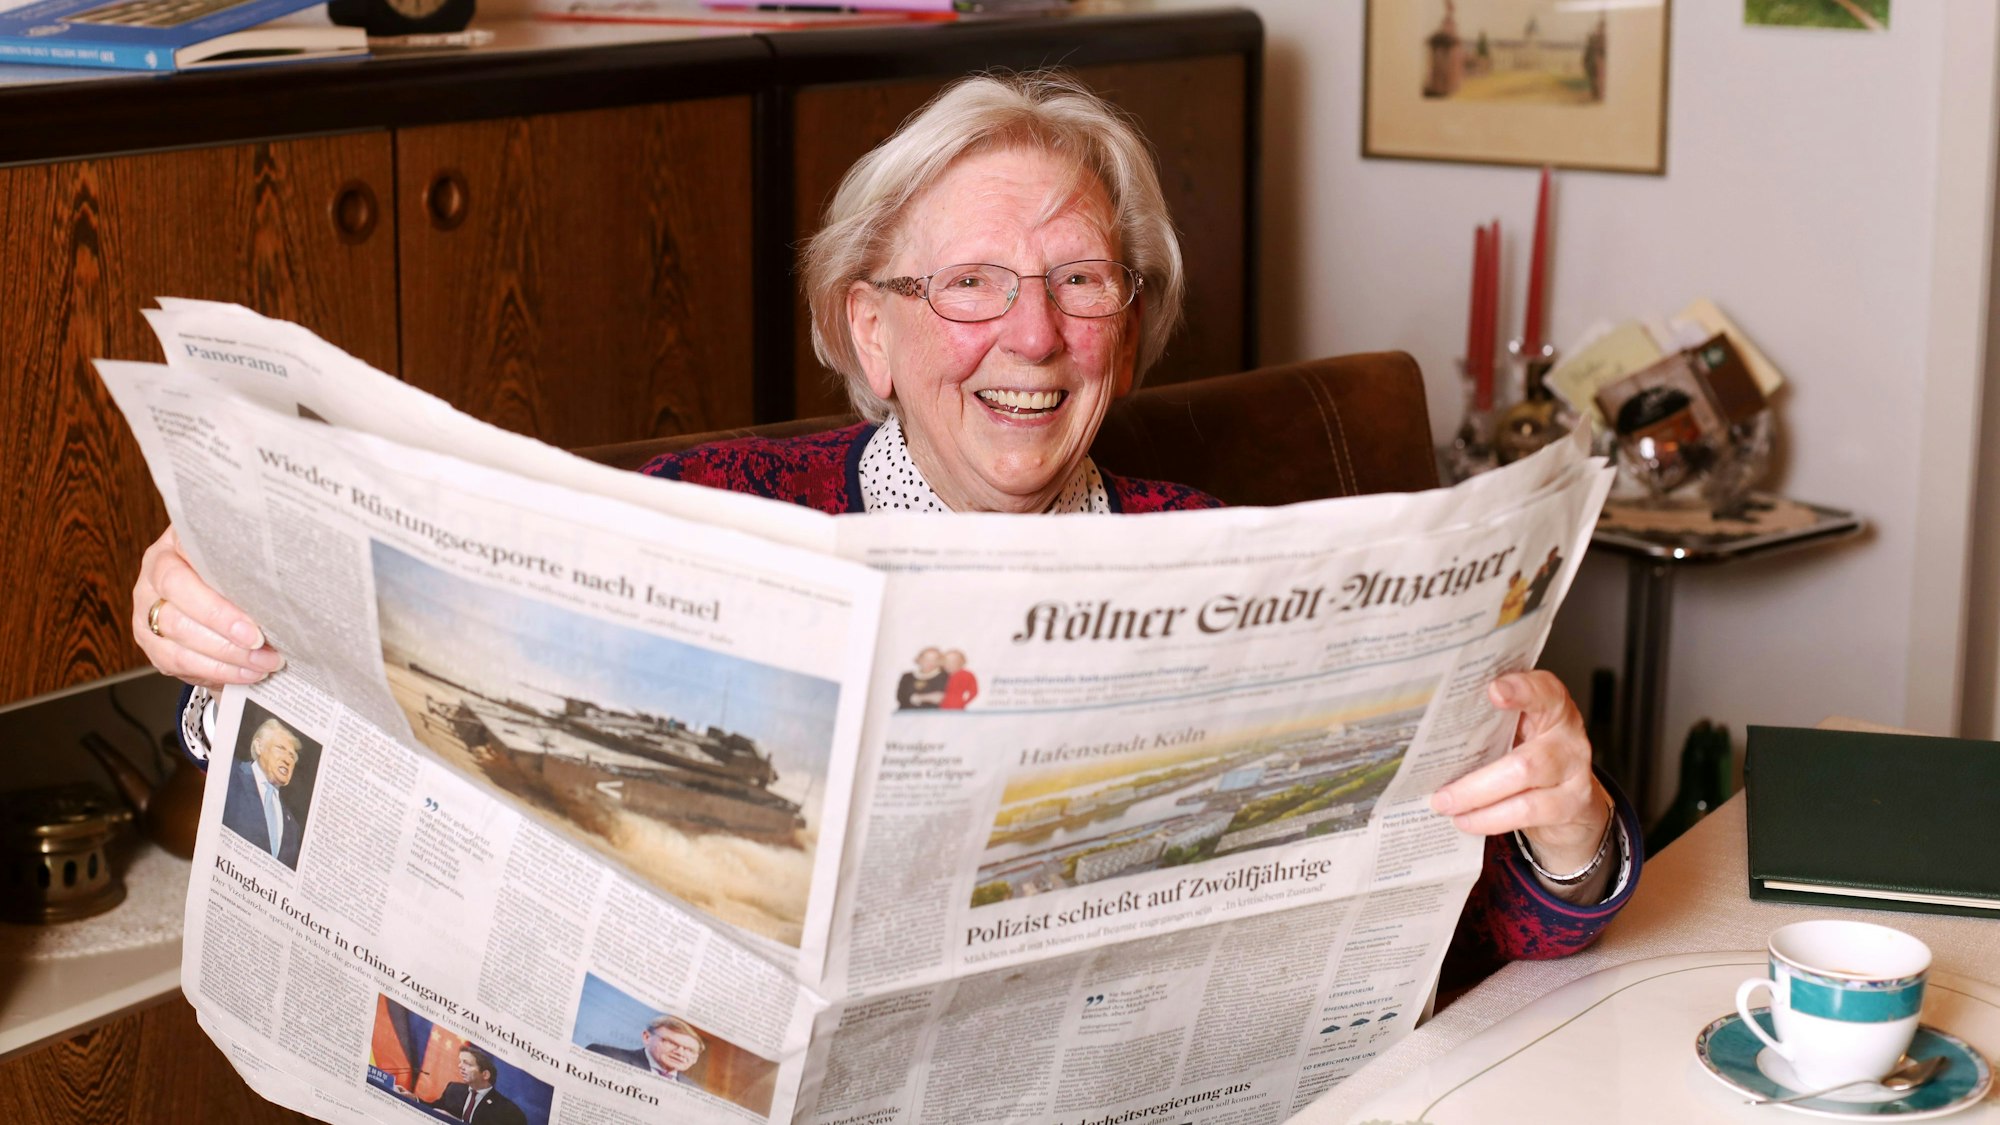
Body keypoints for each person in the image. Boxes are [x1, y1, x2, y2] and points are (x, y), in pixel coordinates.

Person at [132, 71, 1637, 990]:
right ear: (872, 321)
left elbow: (1488, 942)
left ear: (1133, 322)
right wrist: (238, 639)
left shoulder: (1232, 563)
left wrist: (1568, 835)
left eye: (1083, 281)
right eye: (971, 284)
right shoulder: (700, 513)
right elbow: (403, 758)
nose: (1032, 336)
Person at [221, 716, 304, 867]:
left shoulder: (293, 828)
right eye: (280, 748)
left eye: (292, 756)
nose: (287, 760)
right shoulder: (229, 772)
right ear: (259, 747)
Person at [418, 1046, 524, 1125]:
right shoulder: (454, 1089)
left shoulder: (507, 1110)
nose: (460, 1066)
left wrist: (454, 1122)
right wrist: (414, 1099)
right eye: (460, 1062)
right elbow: (435, 1109)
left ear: (485, 1074)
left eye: (467, 1064)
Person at [586, 1014, 704, 1084]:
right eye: (671, 1042)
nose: (680, 1053)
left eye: (689, 1050)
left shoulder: (695, 1090)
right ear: (647, 1037)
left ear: (695, 1058)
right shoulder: (606, 1056)